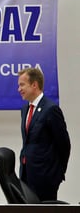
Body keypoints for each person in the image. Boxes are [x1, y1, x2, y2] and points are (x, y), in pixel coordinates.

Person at [17, 68, 70, 201]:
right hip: (26, 174)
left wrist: (57, 174)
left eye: (22, 85)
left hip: (46, 178)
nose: (19, 89)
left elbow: (64, 144)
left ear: (34, 85)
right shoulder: (25, 109)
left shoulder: (51, 109)